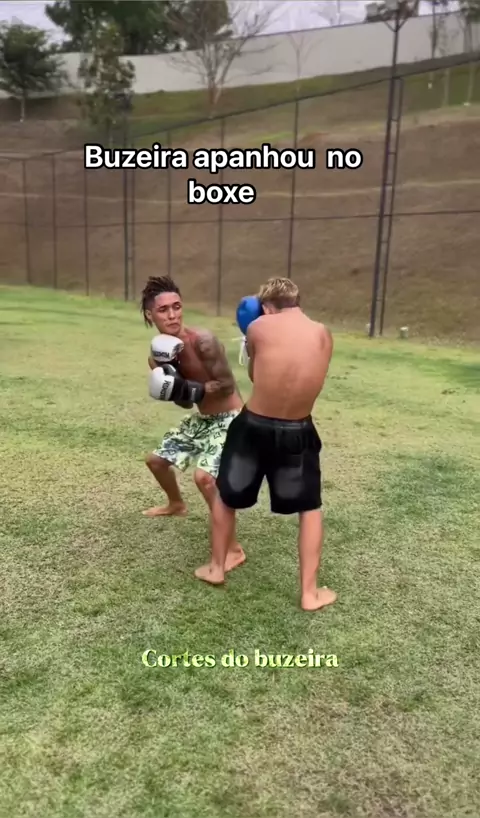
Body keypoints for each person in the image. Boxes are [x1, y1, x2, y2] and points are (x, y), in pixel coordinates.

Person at [194, 277, 337, 612]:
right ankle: (309, 593)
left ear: (266, 306)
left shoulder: (259, 326)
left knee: (226, 496)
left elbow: (256, 376)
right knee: (310, 508)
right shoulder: (323, 333)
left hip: (254, 426)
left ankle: (217, 568)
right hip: (298, 430)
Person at [141, 275, 246, 573]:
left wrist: (188, 387)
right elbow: (186, 404)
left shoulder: (203, 342)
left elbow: (226, 386)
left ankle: (234, 549)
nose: (172, 315)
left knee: (205, 479)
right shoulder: (158, 358)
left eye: (177, 307)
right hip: (203, 419)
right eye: (163, 310)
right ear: (150, 315)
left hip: (232, 418)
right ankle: (176, 504)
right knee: (156, 461)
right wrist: (174, 387)